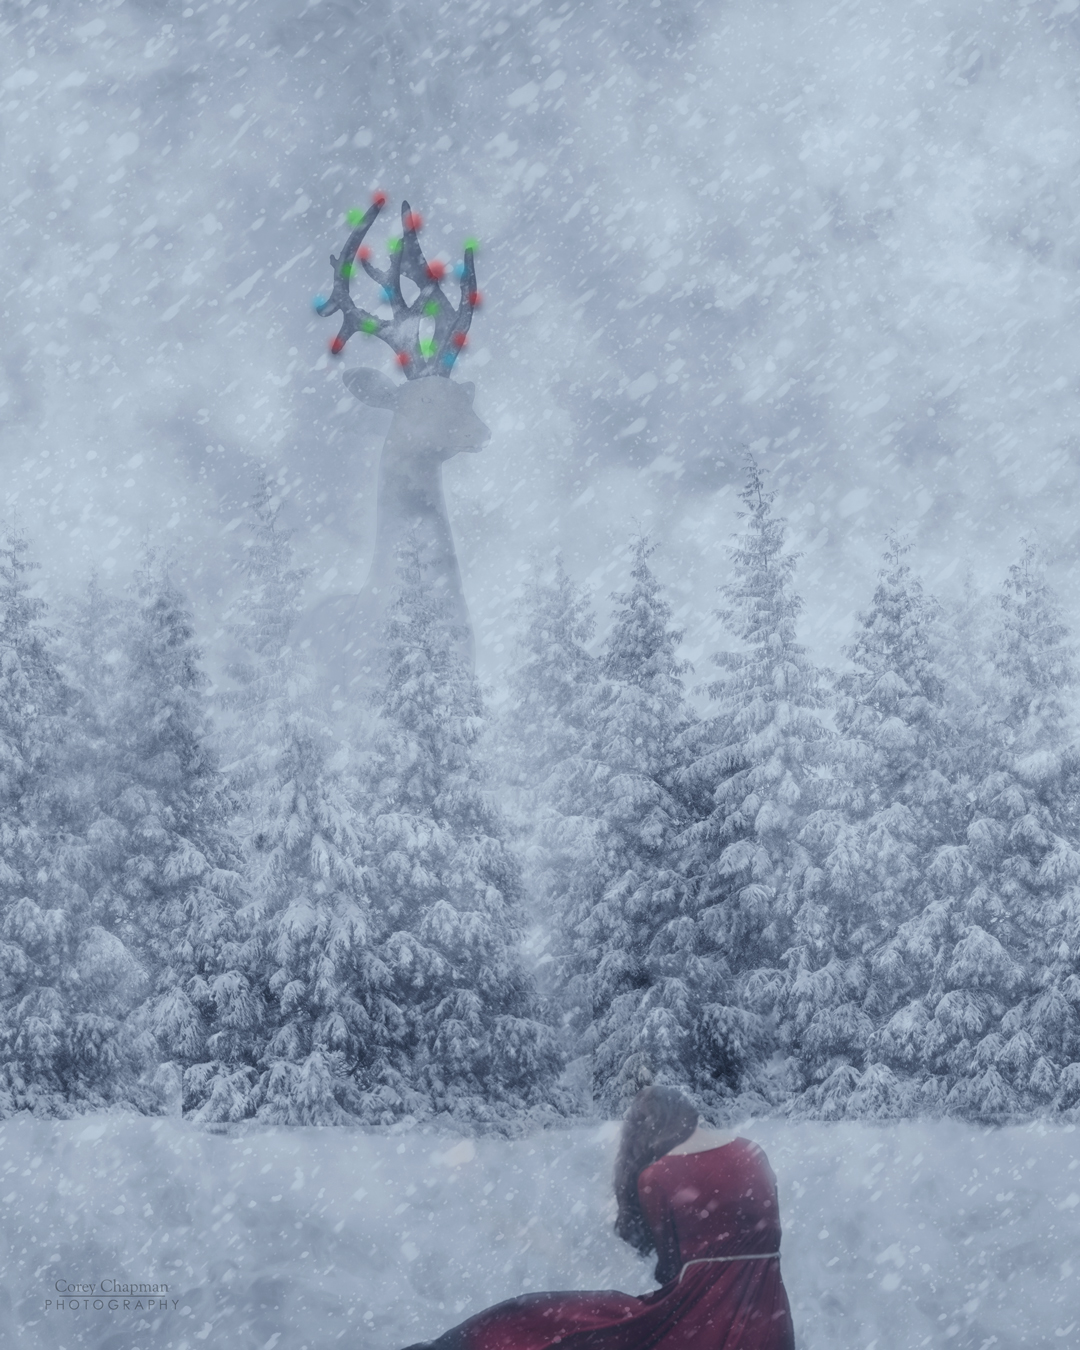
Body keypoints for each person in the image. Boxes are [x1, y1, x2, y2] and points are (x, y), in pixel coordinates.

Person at [399, 1085, 796, 1350]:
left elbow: (673, 1269)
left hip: (702, 1320)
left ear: (646, 1131)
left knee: (554, 1319)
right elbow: (765, 1233)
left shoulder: (656, 1175)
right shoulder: (751, 1150)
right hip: (771, 1319)